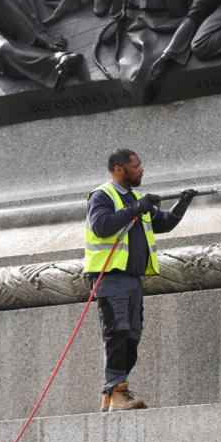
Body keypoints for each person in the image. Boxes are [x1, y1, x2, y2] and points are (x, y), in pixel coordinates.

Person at [85, 148, 197, 412]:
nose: (142, 170)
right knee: (117, 333)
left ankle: (112, 392)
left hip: (133, 281)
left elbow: (165, 223)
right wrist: (135, 208)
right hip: (109, 278)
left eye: (141, 165)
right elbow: (101, 226)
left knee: (131, 338)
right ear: (119, 169)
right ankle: (117, 392)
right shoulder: (102, 196)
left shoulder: (137, 198)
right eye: (136, 166)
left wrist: (183, 202)